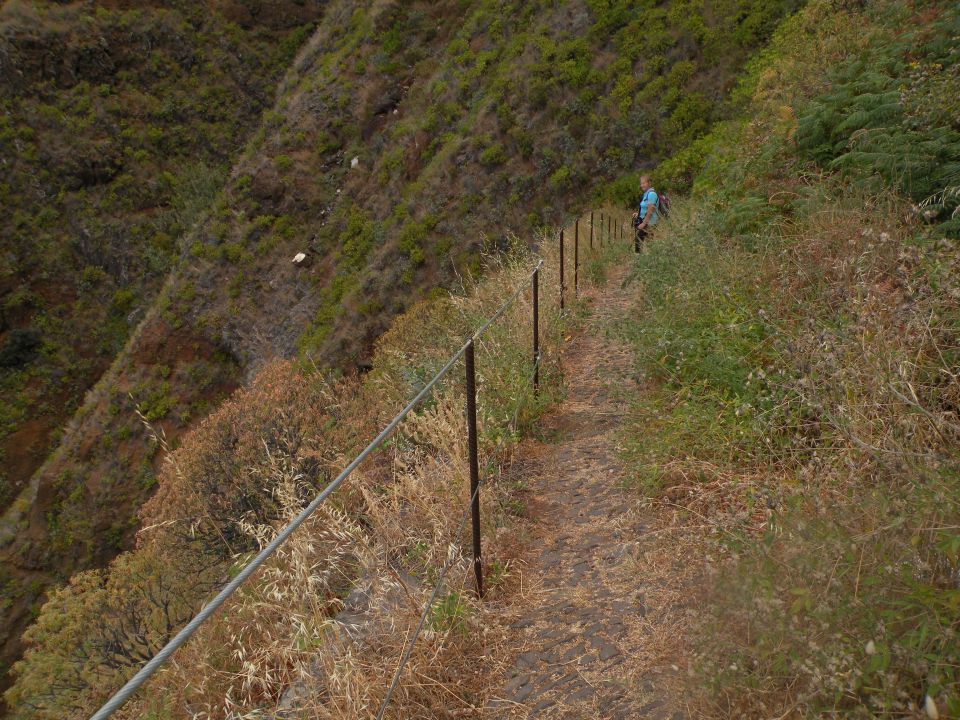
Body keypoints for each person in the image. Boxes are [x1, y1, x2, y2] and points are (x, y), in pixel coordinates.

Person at [631, 175, 659, 253]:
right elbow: (645, 208)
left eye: (644, 183)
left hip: (649, 223)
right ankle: (651, 259)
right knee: (647, 242)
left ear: (649, 183)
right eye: (641, 183)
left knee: (638, 242)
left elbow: (650, 211)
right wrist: (638, 214)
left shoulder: (651, 194)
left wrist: (643, 223)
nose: (642, 185)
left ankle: (640, 260)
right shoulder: (646, 194)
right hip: (646, 222)